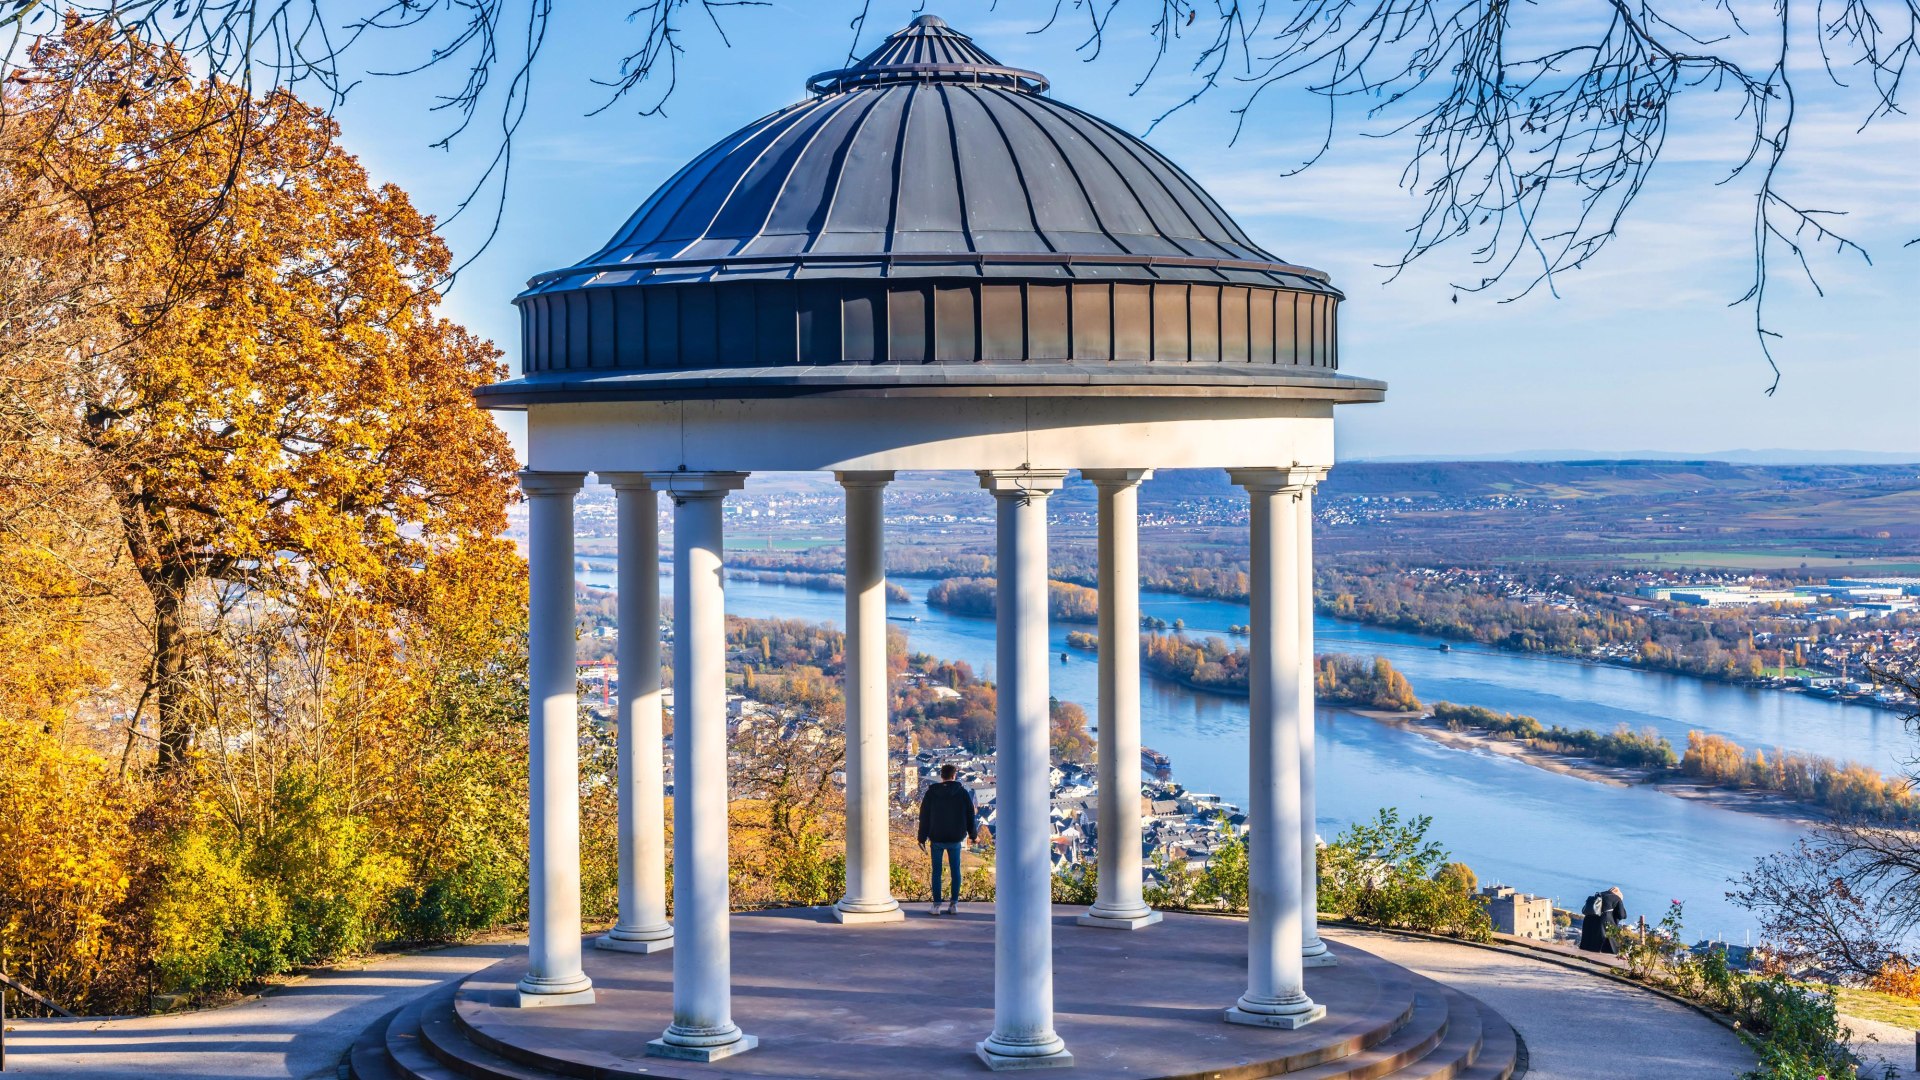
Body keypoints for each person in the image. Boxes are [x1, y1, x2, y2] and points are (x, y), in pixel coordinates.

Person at [917, 762, 978, 915]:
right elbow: (970, 815)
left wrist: (921, 837)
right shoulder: (963, 793)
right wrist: (973, 835)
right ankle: (953, 905)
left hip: (936, 837)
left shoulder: (931, 793)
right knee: (955, 871)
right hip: (955, 837)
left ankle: (936, 906)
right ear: (954, 775)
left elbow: (924, 817)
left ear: (941, 776)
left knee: (937, 872)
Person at [1579, 886, 1627, 953]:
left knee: (1588, 943)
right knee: (1611, 944)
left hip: (1588, 920)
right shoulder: (1617, 898)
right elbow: (1622, 915)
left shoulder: (1599, 895)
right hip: (1603, 923)